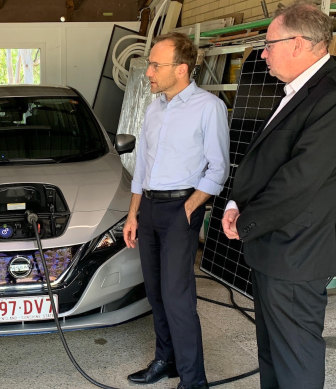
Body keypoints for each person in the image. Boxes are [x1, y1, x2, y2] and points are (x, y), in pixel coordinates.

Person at [222, 3, 336, 388]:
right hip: (277, 249)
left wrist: (245, 222)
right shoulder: (300, 89)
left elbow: (299, 180)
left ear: (300, 43)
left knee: (295, 360)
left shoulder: (330, 95)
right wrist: (236, 201)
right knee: (273, 353)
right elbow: (266, 160)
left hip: (296, 253)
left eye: (269, 44)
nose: (263, 53)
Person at [123, 32, 230, 389]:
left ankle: (193, 380)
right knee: (154, 292)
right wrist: (133, 212)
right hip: (150, 208)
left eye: (156, 65)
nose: (148, 72)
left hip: (180, 211)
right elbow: (142, 166)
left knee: (178, 298)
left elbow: (218, 169)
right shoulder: (155, 108)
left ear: (181, 69)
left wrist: (188, 208)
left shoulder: (208, 107)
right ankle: (165, 361)